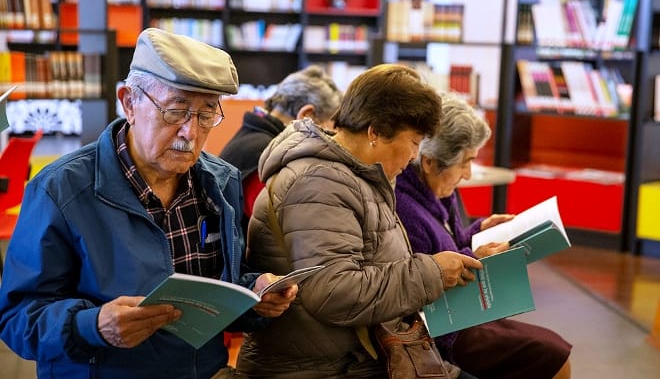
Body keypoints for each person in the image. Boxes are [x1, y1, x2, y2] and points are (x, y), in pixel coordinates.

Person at [0, 28, 296, 379]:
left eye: (205, 115)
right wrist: (91, 326)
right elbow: (17, 317)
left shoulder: (221, 182)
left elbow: (213, 293)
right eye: (175, 111)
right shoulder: (60, 190)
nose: (191, 132)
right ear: (129, 102)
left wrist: (254, 295)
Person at [236, 64, 483, 379]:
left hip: (361, 355)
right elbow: (335, 293)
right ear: (375, 131)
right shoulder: (318, 184)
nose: (414, 156)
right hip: (322, 367)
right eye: (414, 141)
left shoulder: (357, 177)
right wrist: (431, 272)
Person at [395, 92, 572, 379]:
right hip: (443, 328)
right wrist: (474, 258)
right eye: (465, 162)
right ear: (429, 162)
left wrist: (478, 231)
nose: (467, 174)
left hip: (466, 313)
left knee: (550, 347)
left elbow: (446, 243)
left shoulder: (437, 191)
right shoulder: (404, 207)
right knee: (552, 356)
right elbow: (420, 280)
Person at [220, 64, 342, 226]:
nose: (332, 136)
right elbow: (275, 224)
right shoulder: (266, 152)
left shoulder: (252, 137)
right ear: (307, 115)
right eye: (330, 126)